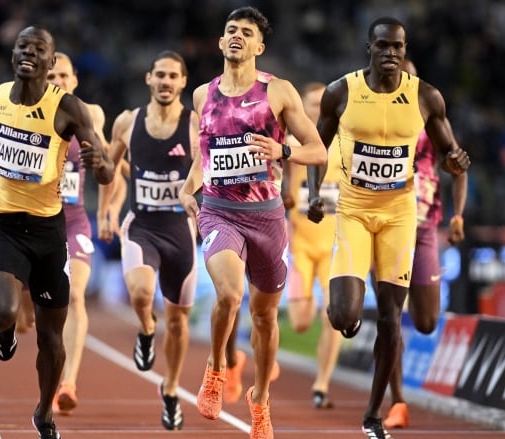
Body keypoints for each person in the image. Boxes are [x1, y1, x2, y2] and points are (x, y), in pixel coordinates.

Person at [0, 26, 114, 439]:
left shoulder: (69, 109)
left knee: (52, 337)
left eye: (39, 48)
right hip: (3, 225)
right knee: (0, 312)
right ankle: (6, 331)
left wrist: (100, 163)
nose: (30, 52)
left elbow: (105, 172)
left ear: (52, 62)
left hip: (49, 231)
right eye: (22, 46)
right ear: (13, 55)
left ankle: (44, 413)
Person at [307, 17, 470, 439]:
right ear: (369, 48)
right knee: (343, 314)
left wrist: (456, 163)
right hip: (355, 211)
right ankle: (349, 320)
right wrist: (312, 194)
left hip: (400, 214)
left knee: (391, 319)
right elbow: (316, 148)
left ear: (405, 48)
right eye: (382, 46)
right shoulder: (341, 92)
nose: (390, 53)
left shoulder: (427, 98)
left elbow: (450, 154)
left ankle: (374, 415)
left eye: (397, 46)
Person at [178, 7, 327, 439]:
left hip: (267, 219)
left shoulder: (278, 92)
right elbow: (205, 157)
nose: (237, 37)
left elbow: (317, 150)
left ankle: (259, 400)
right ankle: (215, 368)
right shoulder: (204, 96)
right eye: (231, 31)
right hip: (220, 210)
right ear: (222, 43)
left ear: (260, 46)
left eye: (247, 32)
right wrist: (190, 189)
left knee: (264, 318)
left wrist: (282, 152)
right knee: (229, 293)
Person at [97, 50, 199, 431]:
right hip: (141, 226)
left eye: (173, 76)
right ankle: (145, 329)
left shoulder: (194, 126)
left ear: (183, 82)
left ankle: (170, 390)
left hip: (180, 233)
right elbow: (109, 168)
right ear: (148, 78)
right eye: (160, 74)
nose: (166, 82)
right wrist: (104, 212)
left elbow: (210, 165)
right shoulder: (127, 121)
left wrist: (203, 200)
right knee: (140, 294)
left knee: (178, 323)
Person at [380, 59, 468, 429]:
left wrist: (458, 214)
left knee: (427, 321)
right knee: (390, 317)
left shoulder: (428, 117)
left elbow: (458, 164)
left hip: (425, 227)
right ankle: (397, 400)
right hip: (382, 227)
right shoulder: (372, 118)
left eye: (410, 78)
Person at [281, 82, 342, 410]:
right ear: (302, 108)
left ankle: (321, 384)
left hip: (332, 248)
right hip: (301, 247)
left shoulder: (344, 145)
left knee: (334, 315)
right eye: (311, 104)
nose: (317, 109)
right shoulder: (293, 146)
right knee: (302, 321)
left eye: (322, 103)